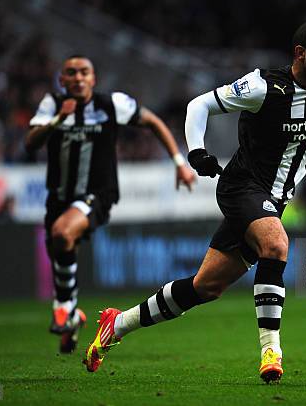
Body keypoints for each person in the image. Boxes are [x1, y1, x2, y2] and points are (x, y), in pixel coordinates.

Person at [83, 22, 306, 383]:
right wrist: (197, 151)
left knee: (206, 287)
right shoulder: (264, 86)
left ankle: (117, 324)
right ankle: (271, 351)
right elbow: (199, 105)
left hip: (275, 198)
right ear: (300, 54)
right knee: (276, 244)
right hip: (242, 186)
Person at [26, 55, 196, 354]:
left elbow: (154, 122)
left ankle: (63, 307)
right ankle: (73, 317)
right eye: (71, 73)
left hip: (99, 193)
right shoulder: (52, 105)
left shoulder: (111, 105)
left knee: (63, 234)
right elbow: (31, 143)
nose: (78, 78)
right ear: (62, 80)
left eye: (84, 73)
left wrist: (179, 162)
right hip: (59, 196)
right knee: (61, 244)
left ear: (93, 79)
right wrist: (57, 121)